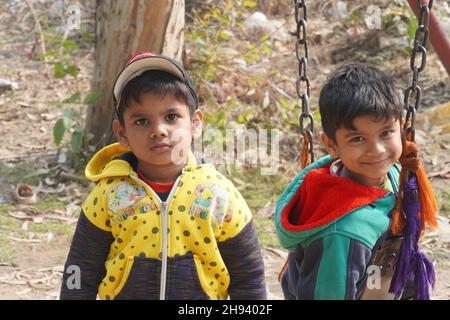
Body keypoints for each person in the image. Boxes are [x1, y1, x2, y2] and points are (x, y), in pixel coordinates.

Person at [60, 52, 266, 300]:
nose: (158, 130)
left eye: (171, 117)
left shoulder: (218, 194)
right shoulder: (107, 196)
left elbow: (249, 275)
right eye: (142, 121)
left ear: (195, 123)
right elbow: (80, 270)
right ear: (121, 132)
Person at [275, 63, 410, 299]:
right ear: (331, 145)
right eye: (357, 138)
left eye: (386, 133)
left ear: (401, 127)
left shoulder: (390, 175)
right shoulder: (342, 233)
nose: (377, 150)